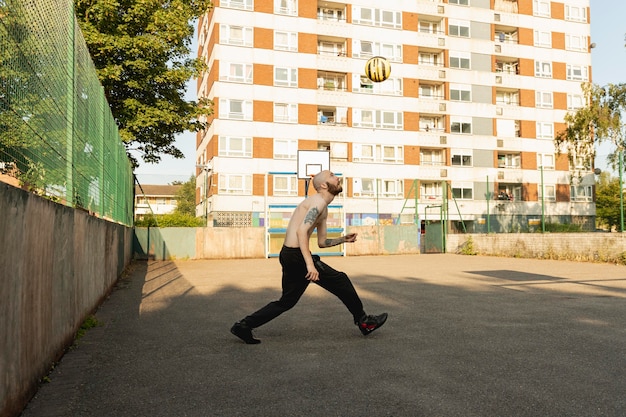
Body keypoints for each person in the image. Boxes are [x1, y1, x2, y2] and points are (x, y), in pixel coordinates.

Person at [230, 170, 388, 344]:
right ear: (323, 185)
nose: (338, 178)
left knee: (287, 301)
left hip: (289, 254)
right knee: (341, 280)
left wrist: (343, 239)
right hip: (297, 256)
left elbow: (321, 242)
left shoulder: (323, 207)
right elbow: (301, 231)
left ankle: (243, 326)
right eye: (333, 176)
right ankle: (364, 322)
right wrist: (310, 265)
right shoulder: (318, 203)